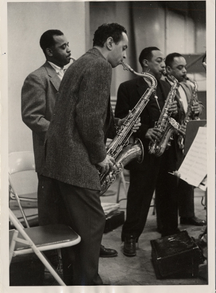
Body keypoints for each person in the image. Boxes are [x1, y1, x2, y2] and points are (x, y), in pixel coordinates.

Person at [21, 28, 119, 284]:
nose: (68, 49)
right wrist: (68, 135)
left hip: (68, 155)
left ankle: (77, 276)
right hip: (63, 155)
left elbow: (88, 111)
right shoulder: (39, 77)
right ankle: (80, 279)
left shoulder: (76, 67)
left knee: (75, 220)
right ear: (49, 51)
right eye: (62, 47)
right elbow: (35, 116)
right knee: (78, 220)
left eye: (68, 45)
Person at [115, 46, 180, 257]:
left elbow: (175, 116)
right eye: (159, 61)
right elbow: (121, 120)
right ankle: (131, 237)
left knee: (169, 192)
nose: (163, 65)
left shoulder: (166, 86)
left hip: (166, 147)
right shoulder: (127, 87)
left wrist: (175, 112)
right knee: (139, 194)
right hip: (144, 149)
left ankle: (170, 232)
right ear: (145, 63)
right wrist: (145, 131)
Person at [163, 52, 206, 227]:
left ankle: (187, 215)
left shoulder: (188, 86)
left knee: (188, 176)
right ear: (168, 69)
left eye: (184, 67)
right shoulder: (164, 86)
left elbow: (198, 106)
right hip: (171, 138)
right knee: (171, 182)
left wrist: (198, 108)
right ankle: (168, 222)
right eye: (179, 67)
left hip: (186, 135)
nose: (184, 70)